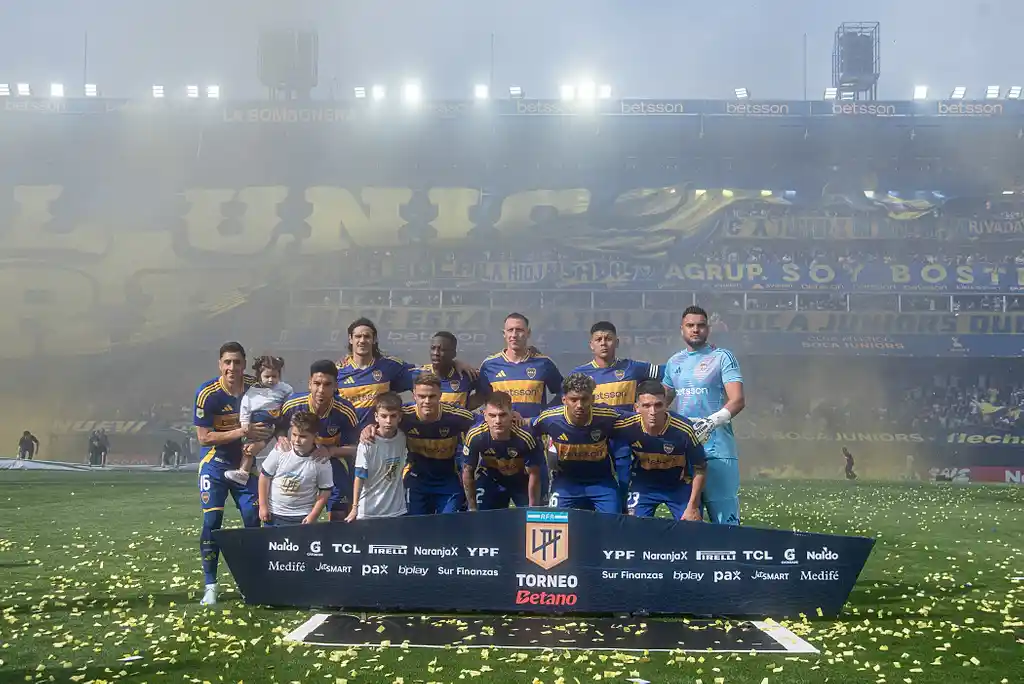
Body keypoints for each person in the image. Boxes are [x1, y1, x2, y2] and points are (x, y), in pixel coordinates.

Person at [194, 341, 273, 606]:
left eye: (237, 362)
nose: (232, 367)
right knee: (212, 521)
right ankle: (211, 586)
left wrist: (260, 443)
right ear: (220, 364)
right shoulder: (207, 393)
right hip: (215, 465)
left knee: (254, 518)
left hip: (245, 466)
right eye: (227, 362)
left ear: (244, 364)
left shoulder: (256, 387)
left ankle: (252, 581)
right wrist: (241, 432)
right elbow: (204, 438)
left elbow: (271, 423)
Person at [571, 321, 668, 513]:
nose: (603, 343)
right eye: (598, 339)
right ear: (591, 344)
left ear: (617, 342)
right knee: (595, 491)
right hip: (593, 441)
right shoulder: (579, 374)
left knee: (626, 488)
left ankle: (624, 523)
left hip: (625, 439)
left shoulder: (632, 368)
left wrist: (694, 359)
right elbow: (566, 403)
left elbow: (670, 371)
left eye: (608, 339)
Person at [662, 305, 745, 526]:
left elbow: (737, 400)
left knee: (726, 521)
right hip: (686, 452)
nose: (695, 329)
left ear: (708, 329)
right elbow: (661, 401)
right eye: (690, 325)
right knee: (689, 520)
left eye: (700, 325)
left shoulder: (722, 357)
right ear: (682, 329)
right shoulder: (674, 362)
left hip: (718, 450)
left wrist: (711, 422)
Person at [360, 373, 477, 515]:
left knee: (448, 524)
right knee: (415, 524)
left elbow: (483, 423)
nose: (427, 401)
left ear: (440, 395)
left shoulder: (456, 416)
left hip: (447, 479)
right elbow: (383, 418)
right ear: (414, 395)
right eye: (422, 396)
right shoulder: (404, 415)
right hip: (417, 479)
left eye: (432, 396)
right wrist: (369, 427)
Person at [275, 360, 361, 521]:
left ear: (336, 386)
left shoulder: (345, 411)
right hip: (298, 460)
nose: (321, 390)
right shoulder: (292, 405)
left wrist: (331, 451)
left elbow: (357, 448)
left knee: (340, 509)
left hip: (329, 461)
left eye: (327, 385)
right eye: (317, 384)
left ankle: (335, 533)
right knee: (287, 502)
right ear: (310, 384)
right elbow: (279, 427)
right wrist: (281, 437)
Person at [612, 381, 706, 520]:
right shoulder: (627, 425)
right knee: (633, 526)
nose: (653, 412)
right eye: (646, 406)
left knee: (691, 526)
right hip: (644, 485)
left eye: (658, 405)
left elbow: (700, 468)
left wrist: (693, 506)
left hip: (678, 485)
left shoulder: (684, 429)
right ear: (637, 408)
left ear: (666, 405)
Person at [534, 373, 624, 513]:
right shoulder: (549, 418)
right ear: (564, 400)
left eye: (584, 399)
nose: (579, 405)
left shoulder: (607, 416)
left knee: (612, 521)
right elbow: (527, 430)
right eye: (573, 400)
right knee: (555, 522)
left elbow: (636, 423)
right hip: (565, 483)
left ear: (592, 399)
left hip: (602, 482)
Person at [462, 391, 543, 510]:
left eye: (503, 415)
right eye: (492, 415)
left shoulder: (526, 436)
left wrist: (533, 509)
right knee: (483, 516)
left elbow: (534, 474)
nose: (498, 421)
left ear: (512, 414)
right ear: (485, 416)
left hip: (521, 480)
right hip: (491, 479)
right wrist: (472, 508)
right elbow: (467, 471)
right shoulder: (475, 436)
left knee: (528, 515)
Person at [226, 355, 293, 485]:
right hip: (256, 421)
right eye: (267, 376)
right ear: (259, 376)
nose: (271, 380)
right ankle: (246, 471)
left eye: (274, 376)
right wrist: (245, 424)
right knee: (248, 448)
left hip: (272, 420)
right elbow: (245, 407)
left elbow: (291, 401)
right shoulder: (253, 391)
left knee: (253, 448)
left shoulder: (284, 388)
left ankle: (244, 471)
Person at [258, 411, 333, 526]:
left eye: (303, 436)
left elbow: (325, 491)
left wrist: (313, 515)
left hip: (303, 517)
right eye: (294, 435)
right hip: (274, 514)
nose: (297, 440)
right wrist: (263, 506)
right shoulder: (281, 450)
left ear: (315, 436)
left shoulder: (321, 460)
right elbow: (264, 477)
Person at [346, 392, 408, 521]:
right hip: (368, 512)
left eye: (393, 416)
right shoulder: (367, 443)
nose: (388, 421)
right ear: (376, 417)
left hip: (396, 511)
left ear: (400, 417)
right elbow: (359, 476)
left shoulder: (402, 437)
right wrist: (354, 508)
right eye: (384, 416)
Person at [411, 331, 482, 409]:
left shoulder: (466, 375)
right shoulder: (417, 374)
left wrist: (464, 409)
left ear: (454, 353)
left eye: (442, 350)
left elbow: (483, 394)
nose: (436, 353)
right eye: (433, 348)